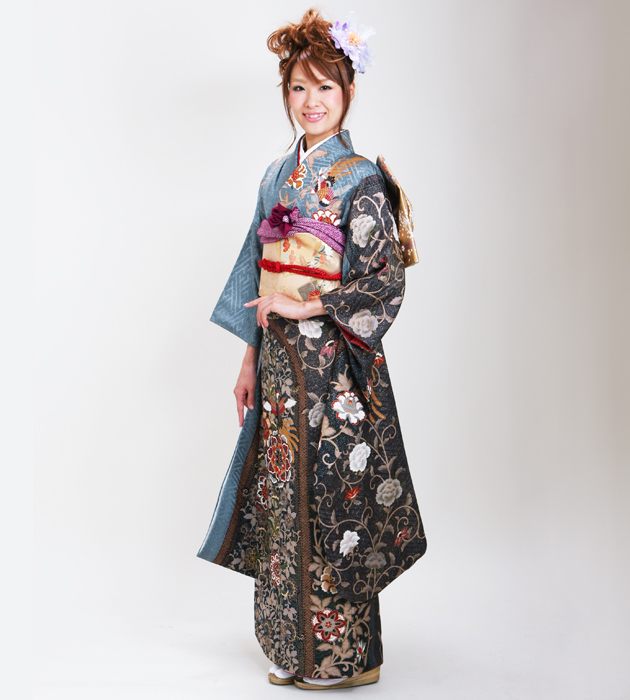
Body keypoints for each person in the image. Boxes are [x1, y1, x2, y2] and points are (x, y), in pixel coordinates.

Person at [197, 8, 427, 689]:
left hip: (335, 368)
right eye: (298, 88)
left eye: (325, 87)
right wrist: (248, 358)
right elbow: (256, 269)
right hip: (276, 365)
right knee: (279, 495)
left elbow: (382, 279)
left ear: (348, 91)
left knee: (334, 500)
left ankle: (343, 657)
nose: (311, 101)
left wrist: (307, 306)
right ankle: (288, 645)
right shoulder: (277, 174)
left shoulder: (360, 179)